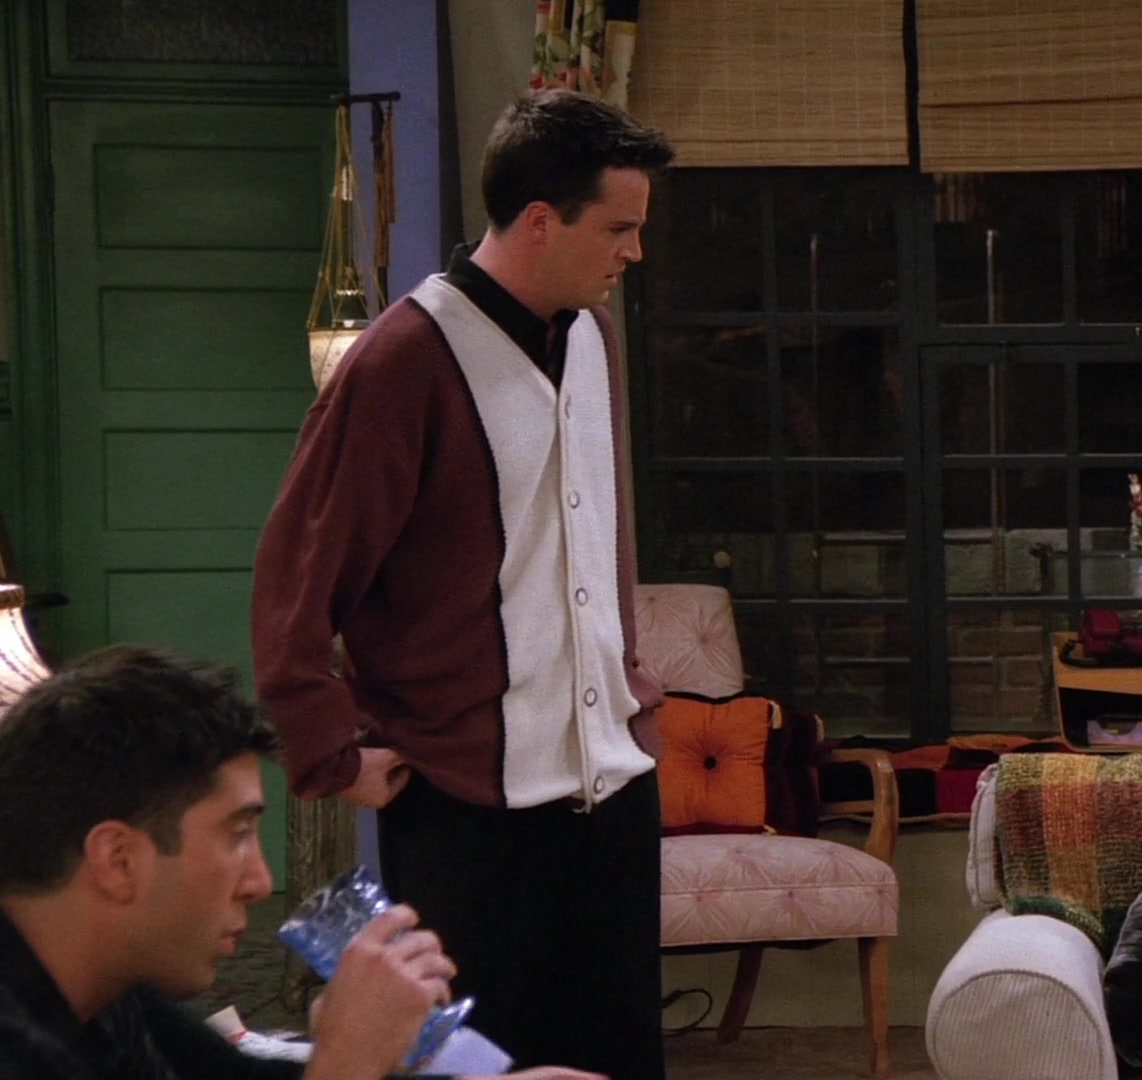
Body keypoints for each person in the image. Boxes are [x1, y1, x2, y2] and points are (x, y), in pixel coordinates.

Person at [251, 89, 675, 1080]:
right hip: (467, 810)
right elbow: (297, 575)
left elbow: (589, 550)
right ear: (542, 220)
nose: (635, 252)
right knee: (482, 1071)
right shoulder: (402, 360)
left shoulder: (595, 339)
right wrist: (328, 752)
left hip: (613, 792)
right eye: (619, 228)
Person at [0, 645, 602, 1080]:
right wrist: (347, 1062)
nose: (261, 883)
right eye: (237, 834)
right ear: (118, 860)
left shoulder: (108, 991)